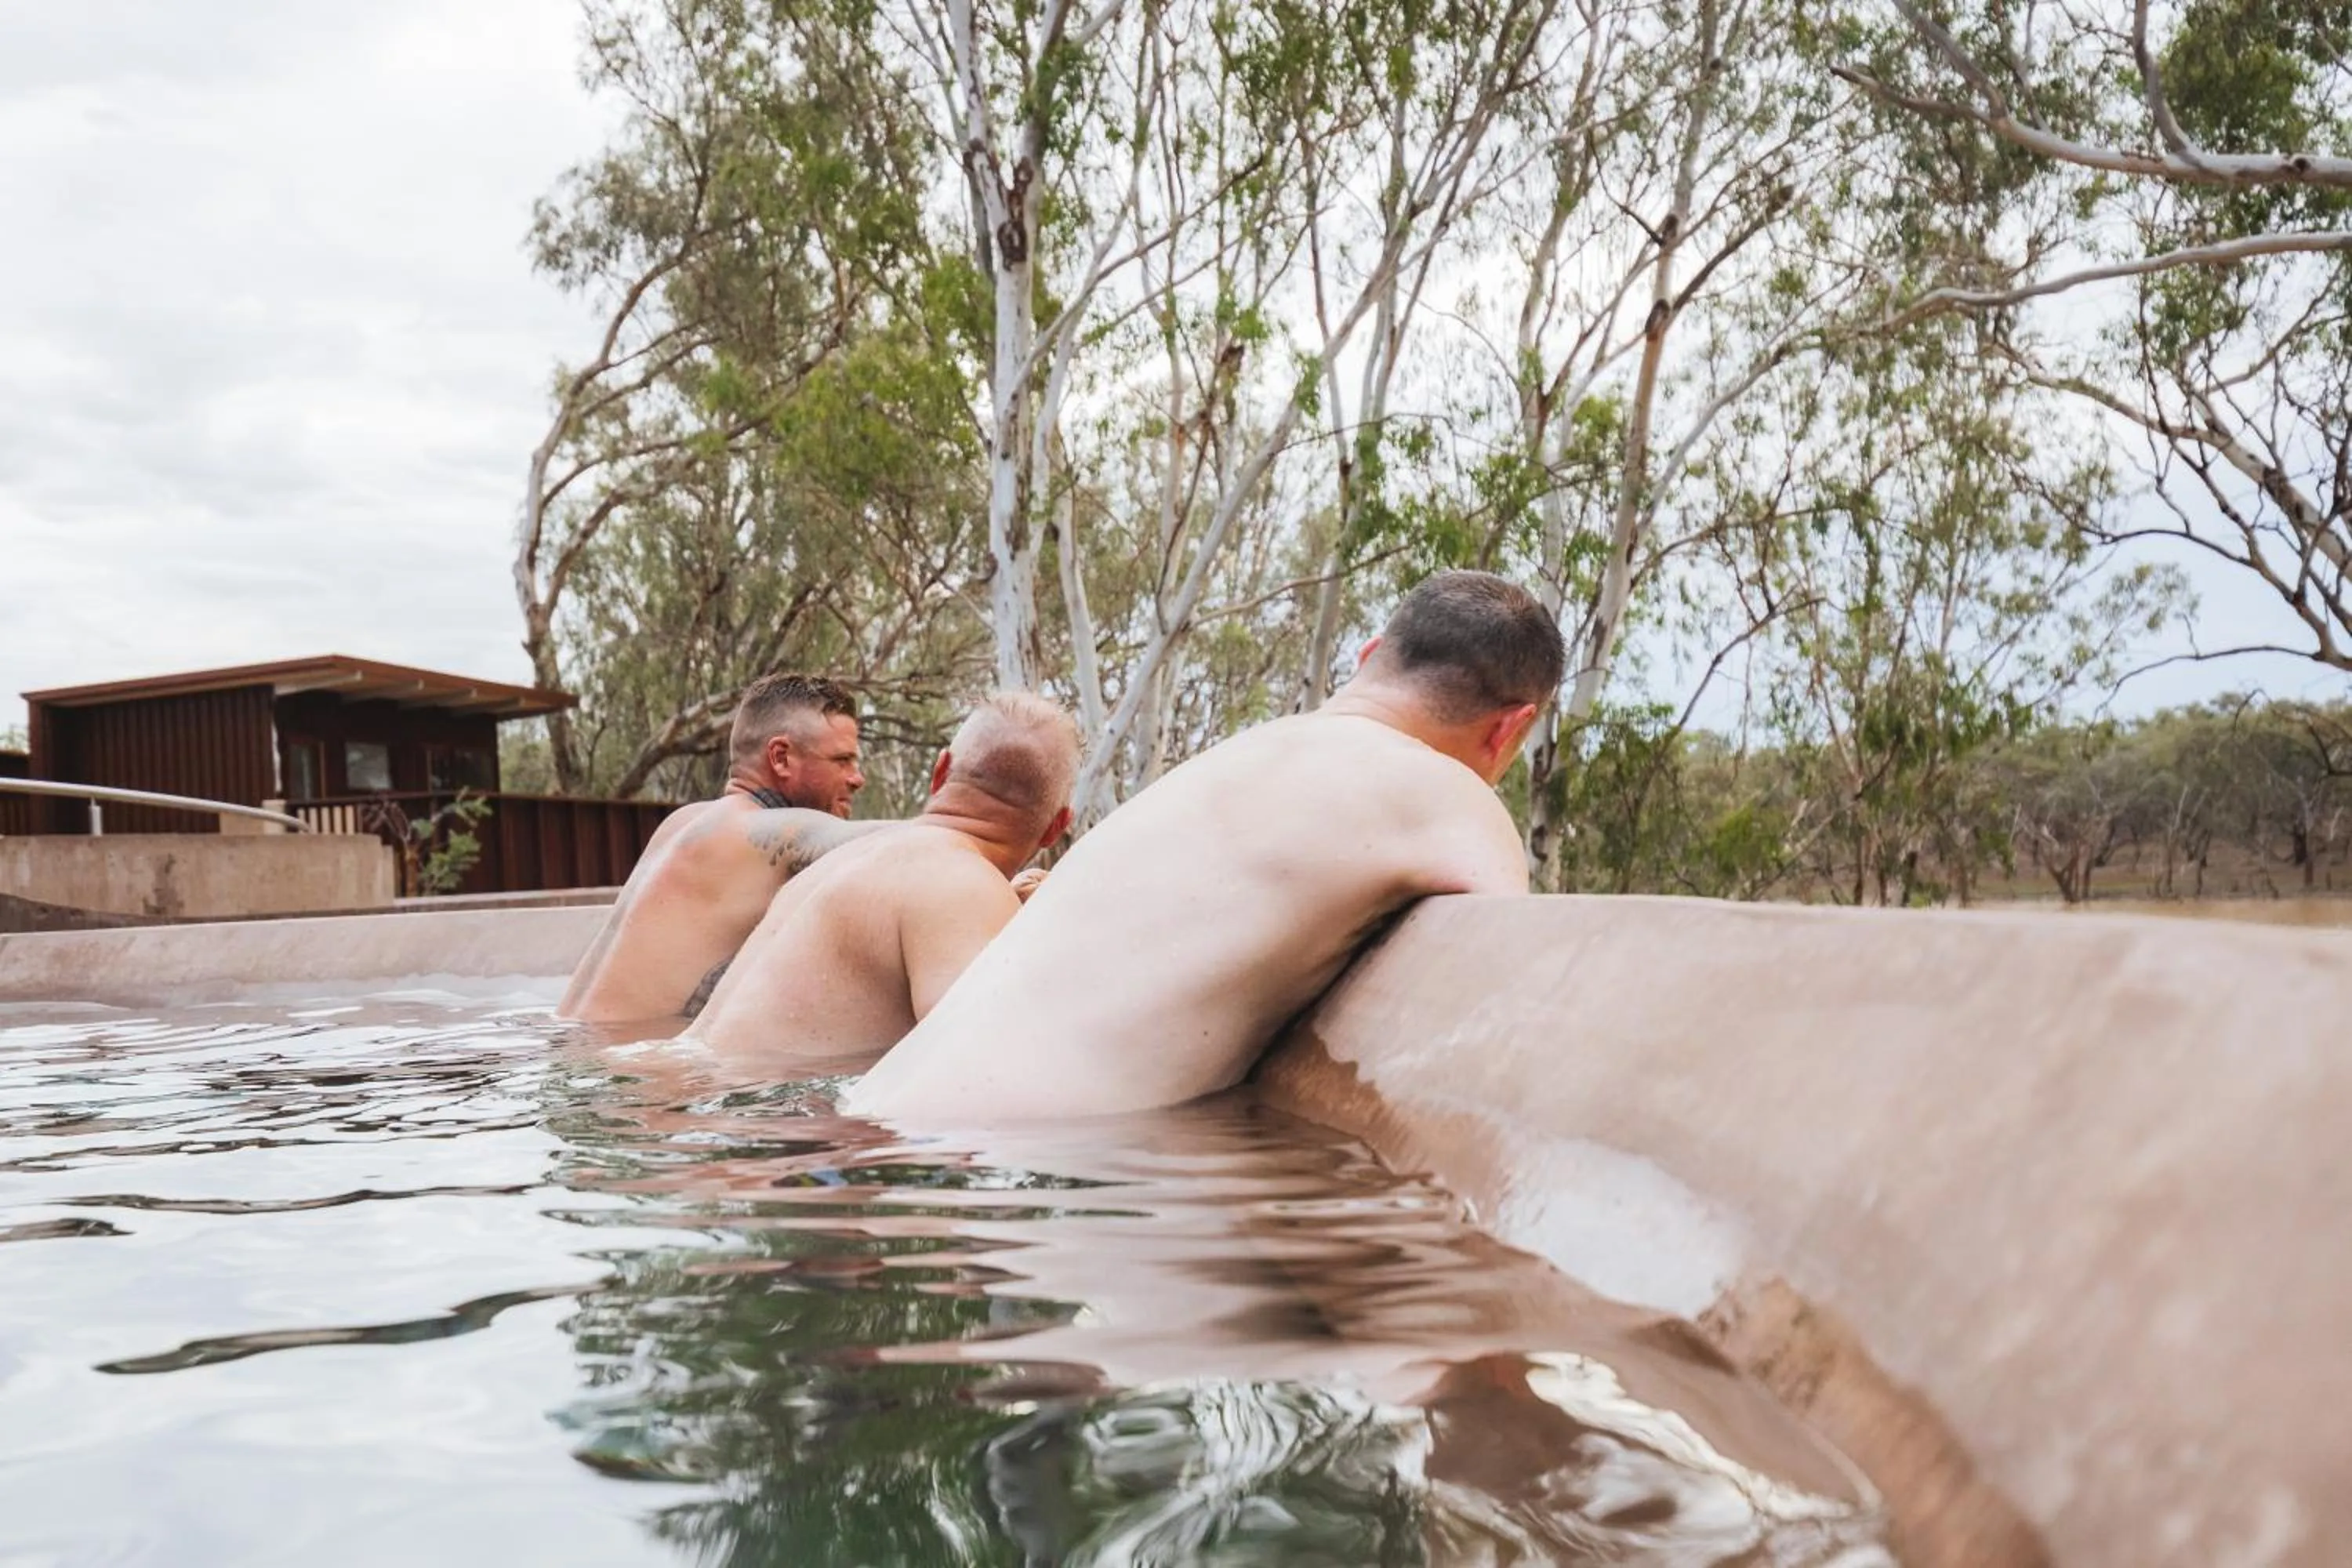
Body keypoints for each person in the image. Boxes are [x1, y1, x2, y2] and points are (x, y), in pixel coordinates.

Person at [848, 571, 1565, 1122]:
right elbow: (1514, 995)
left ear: (1370, 656)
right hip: (1019, 1151)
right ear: (1509, 729)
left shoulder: (1228, 761)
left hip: (877, 1108)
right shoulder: (1450, 796)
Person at [687, 691, 1079, 1072]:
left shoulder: (845, 862)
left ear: (940, 772)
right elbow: (991, 1072)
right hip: (756, 1119)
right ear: (1056, 827)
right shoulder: (962, 884)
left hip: (686, 1084)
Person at [558, 673, 876, 1023]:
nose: (857, 778)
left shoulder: (681, 823)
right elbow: (903, 842)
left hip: (574, 1047)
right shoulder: (763, 832)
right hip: (633, 1069)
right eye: (842, 760)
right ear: (781, 757)